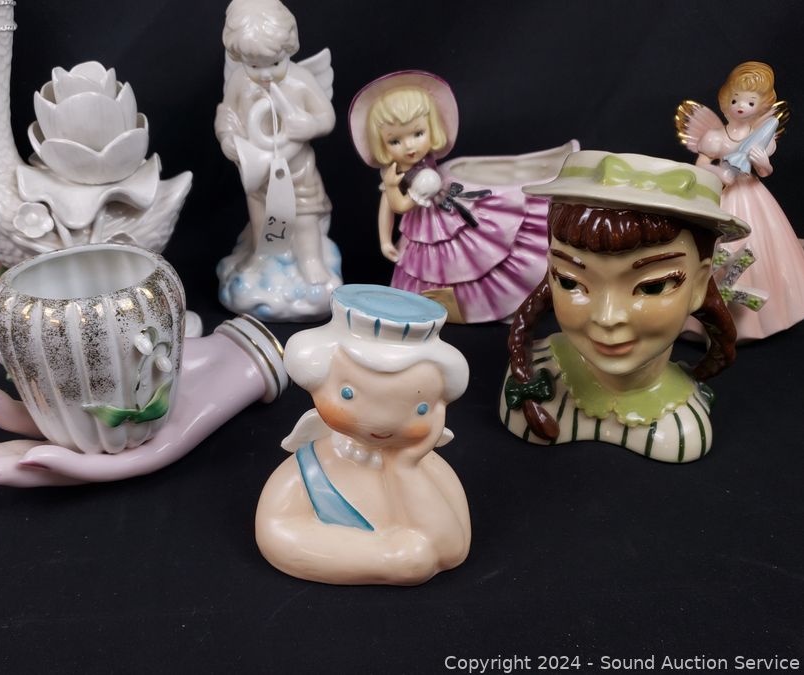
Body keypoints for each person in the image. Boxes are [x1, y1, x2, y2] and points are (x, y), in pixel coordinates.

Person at [501, 151, 748, 463]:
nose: (607, 317)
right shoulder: (530, 381)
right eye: (569, 281)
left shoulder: (683, 426)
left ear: (699, 284)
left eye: (652, 287)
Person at [255, 284, 471, 585]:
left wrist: (405, 469)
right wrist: (383, 558)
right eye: (348, 394)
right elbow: (276, 532)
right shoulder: (308, 472)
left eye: (420, 408)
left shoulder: (429, 469)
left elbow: (452, 550)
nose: (382, 422)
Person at [349, 70, 574, 323]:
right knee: (435, 266)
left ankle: (497, 303)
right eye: (395, 141)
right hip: (424, 225)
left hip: (447, 210)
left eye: (418, 134)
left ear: (432, 128)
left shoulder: (425, 163)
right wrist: (385, 236)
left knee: (475, 254)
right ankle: (447, 308)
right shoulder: (395, 174)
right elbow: (395, 206)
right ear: (381, 143)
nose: (409, 146)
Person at [215, 0, 340, 320]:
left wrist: (309, 125)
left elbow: (326, 117)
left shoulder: (300, 80)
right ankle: (263, 255)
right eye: (254, 66)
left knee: (305, 216)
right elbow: (227, 114)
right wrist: (228, 138)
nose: (265, 74)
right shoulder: (240, 82)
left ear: (289, 49)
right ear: (239, 59)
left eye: (274, 63)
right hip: (258, 171)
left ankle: (311, 260)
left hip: (297, 169)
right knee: (260, 214)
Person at [676, 61, 804, 340]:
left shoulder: (761, 137)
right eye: (735, 99)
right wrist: (719, 173)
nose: (740, 106)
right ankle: (700, 321)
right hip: (719, 197)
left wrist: (763, 163)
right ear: (726, 100)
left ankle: (764, 319)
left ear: (760, 107)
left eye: (750, 102)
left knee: (761, 246)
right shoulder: (715, 137)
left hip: (751, 197)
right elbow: (700, 165)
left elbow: (765, 172)